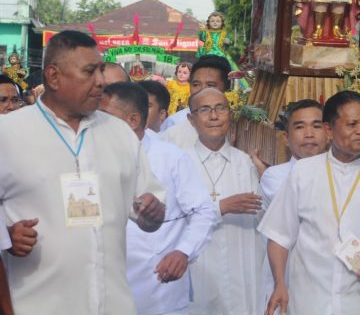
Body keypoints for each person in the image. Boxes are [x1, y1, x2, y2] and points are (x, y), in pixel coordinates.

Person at [0, 30, 165, 314]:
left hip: (113, 305)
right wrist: (5, 236)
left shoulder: (120, 133)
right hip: (36, 305)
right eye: (90, 71)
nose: (101, 81)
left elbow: (150, 211)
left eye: (101, 70)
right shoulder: (9, 134)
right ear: (53, 77)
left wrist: (153, 211)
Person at [259, 91, 360, 315]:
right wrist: (280, 284)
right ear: (329, 130)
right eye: (352, 124)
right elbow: (279, 236)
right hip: (309, 303)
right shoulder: (303, 172)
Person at [100, 82, 218, 315]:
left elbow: (204, 210)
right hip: (105, 282)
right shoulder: (92, 152)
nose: (95, 123)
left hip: (157, 287)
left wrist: (184, 251)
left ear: (133, 120)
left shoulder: (170, 157)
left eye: (104, 116)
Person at [185, 87, 265, 315]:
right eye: (204, 110)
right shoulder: (180, 162)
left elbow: (264, 217)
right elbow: (174, 219)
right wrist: (221, 207)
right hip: (199, 266)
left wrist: (267, 178)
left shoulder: (247, 163)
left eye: (220, 108)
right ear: (191, 119)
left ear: (230, 114)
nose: (213, 116)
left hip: (242, 265)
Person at [259, 99, 328, 310]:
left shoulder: (342, 175)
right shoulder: (275, 176)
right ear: (286, 138)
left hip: (329, 279)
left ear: (329, 132)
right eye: (300, 127)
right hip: (287, 278)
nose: (309, 133)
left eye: (317, 126)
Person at [160, 55, 231, 143]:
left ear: (227, 87)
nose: (202, 91)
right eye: (196, 85)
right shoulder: (174, 122)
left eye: (211, 85)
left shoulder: (235, 125)